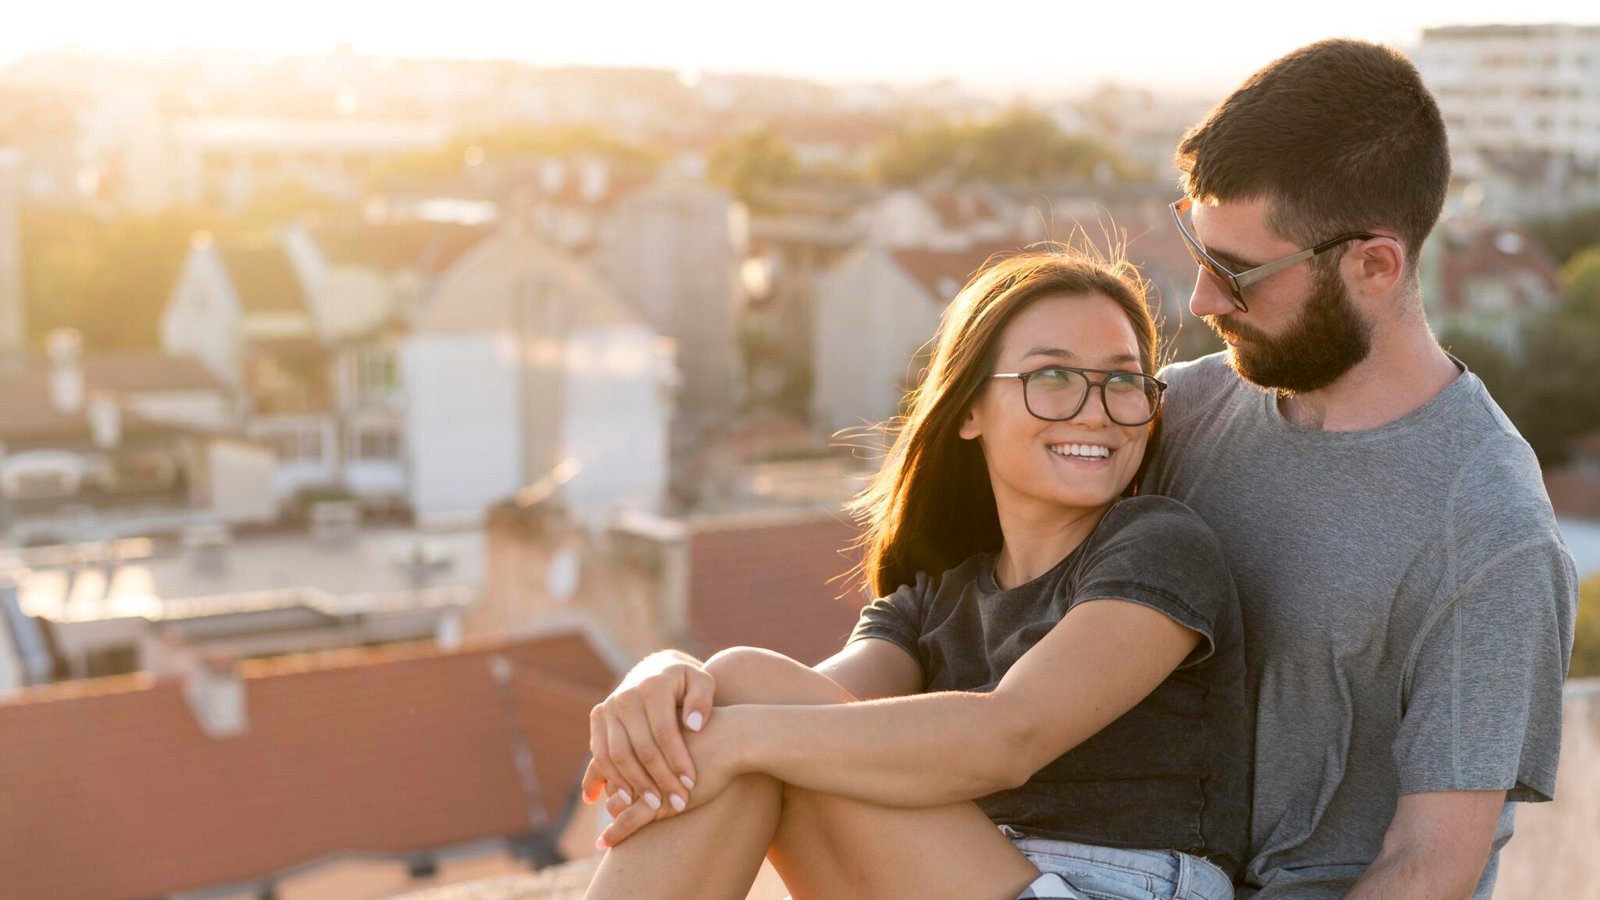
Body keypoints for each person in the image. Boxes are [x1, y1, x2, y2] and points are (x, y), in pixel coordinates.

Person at [580, 249, 1247, 900]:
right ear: (967, 409)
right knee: (729, 687)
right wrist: (665, 675)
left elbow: (1009, 738)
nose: (1097, 410)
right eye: (1052, 377)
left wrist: (733, 734)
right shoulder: (935, 600)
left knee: (738, 708)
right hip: (965, 870)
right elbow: (796, 704)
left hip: (1118, 886)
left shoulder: (1160, 543)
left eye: (1124, 380)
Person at [1153, 39, 1578, 899]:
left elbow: (1429, 865)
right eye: (1200, 256)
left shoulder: (1490, 527)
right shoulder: (1181, 410)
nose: (1201, 302)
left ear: (1374, 265)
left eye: (1236, 273)